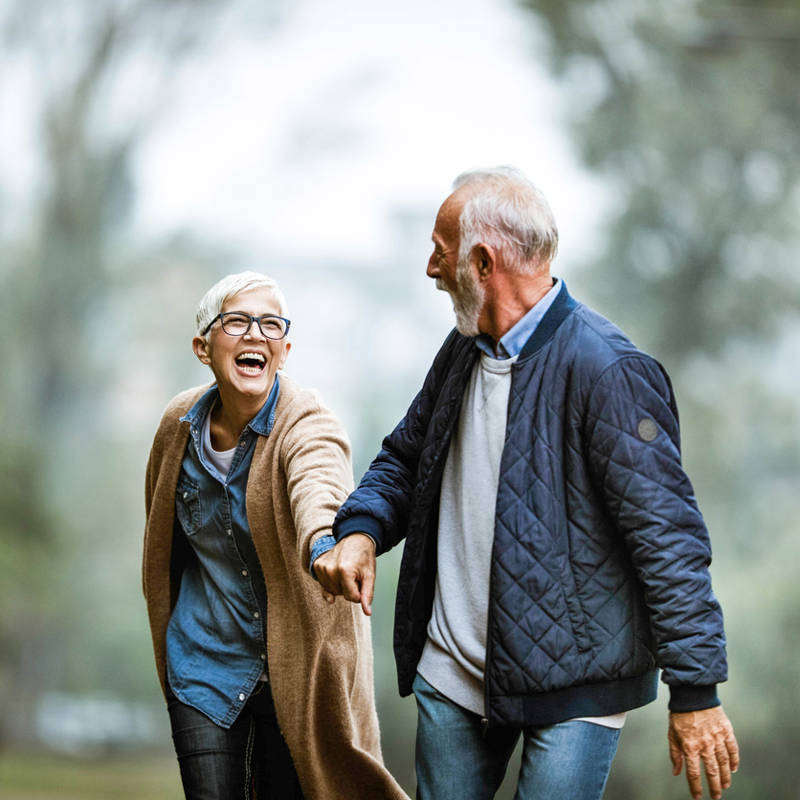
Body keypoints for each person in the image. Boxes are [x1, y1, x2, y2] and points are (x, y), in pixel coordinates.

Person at [313, 168, 740, 800]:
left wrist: (696, 691)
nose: (431, 268)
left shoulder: (609, 370)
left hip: (576, 687)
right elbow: (406, 458)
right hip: (452, 675)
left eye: (441, 248)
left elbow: (667, 539)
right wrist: (360, 530)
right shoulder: (461, 350)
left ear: (482, 261)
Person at [143, 272, 409, 800]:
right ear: (204, 347)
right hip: (202, 659)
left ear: (284, 350)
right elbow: (161, 534)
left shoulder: (306, 421)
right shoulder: (178, 426)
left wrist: (324, 545)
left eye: (270, 325)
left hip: (296, 669)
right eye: (237, 321)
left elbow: (319, 484)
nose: (254, 335)